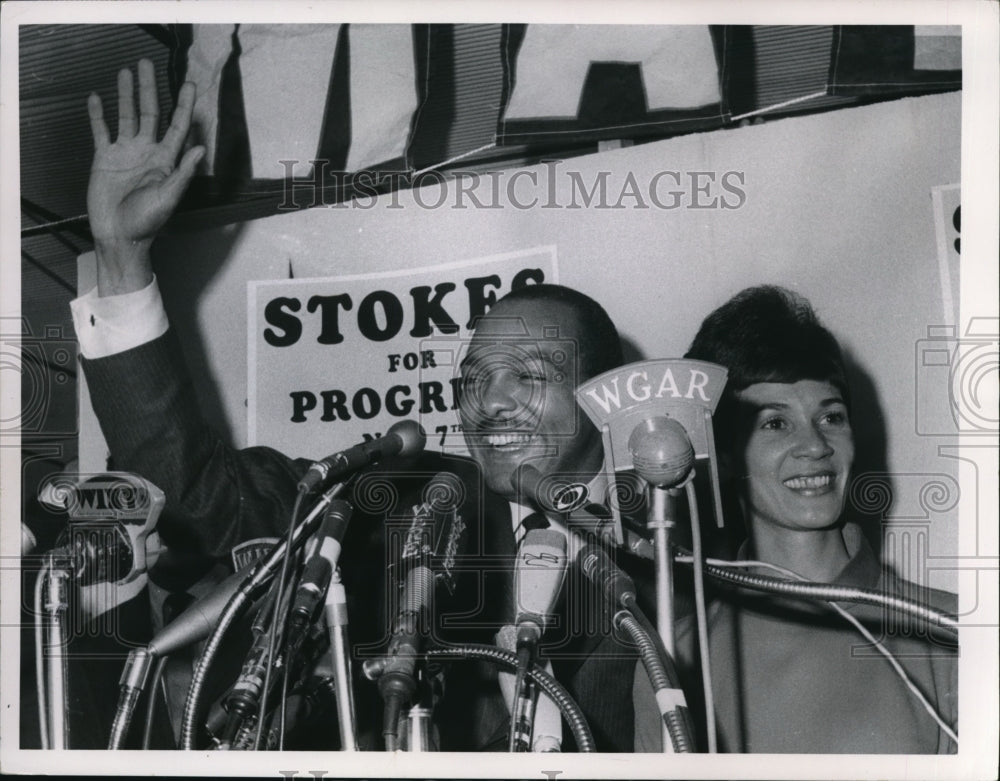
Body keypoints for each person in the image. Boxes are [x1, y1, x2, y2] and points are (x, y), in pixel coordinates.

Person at [71, 59, 648, 751]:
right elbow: (196, 490)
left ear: (600, 393)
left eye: (530, 374)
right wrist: (122, 259)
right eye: (473, 376)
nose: (489, 401)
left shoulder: (678, 540)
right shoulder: (397, 501)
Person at [633, 285, 958, 753]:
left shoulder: (948, 633)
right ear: (721, 455)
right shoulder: (673, 661)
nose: (815, 446)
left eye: (831, 417)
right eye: (775, 423)